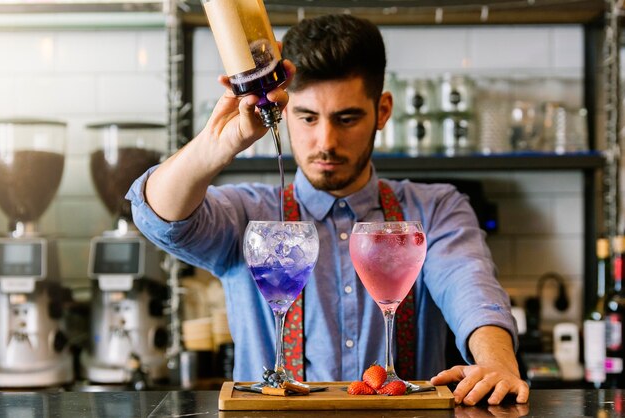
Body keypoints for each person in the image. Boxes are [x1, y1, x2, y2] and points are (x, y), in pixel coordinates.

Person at [127, 14, 529, 405]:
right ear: (285, 114)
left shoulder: (436, 208)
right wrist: (216, 144)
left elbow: (471, 287)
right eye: (307, 117)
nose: (326, 141)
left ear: (382, 111)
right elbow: (158, 217)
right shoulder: (248, 217)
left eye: (347, 118)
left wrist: (496, 363)